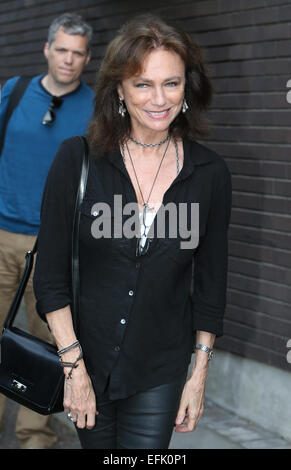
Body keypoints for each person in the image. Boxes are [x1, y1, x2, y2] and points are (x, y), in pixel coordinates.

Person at [33, 14, 232, 449]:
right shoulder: (78, 160)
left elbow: (212, 285)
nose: (159, 99)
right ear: (119, 89)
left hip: (159, 368)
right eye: (142, 84)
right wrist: (73, 367)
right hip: (86, 361)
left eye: (171, 83)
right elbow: (49, 277)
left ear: (188, 88)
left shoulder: (210, 174)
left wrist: (198, 376)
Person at [0, 13, 94, 449]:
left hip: (55, 246)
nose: (69, 60)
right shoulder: (15, 92)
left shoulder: (96, 109)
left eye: (78, 53)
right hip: (0, 235)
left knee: (46, 344)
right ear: (47, 49)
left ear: (87, 58)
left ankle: (33, 434)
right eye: (62, 50)